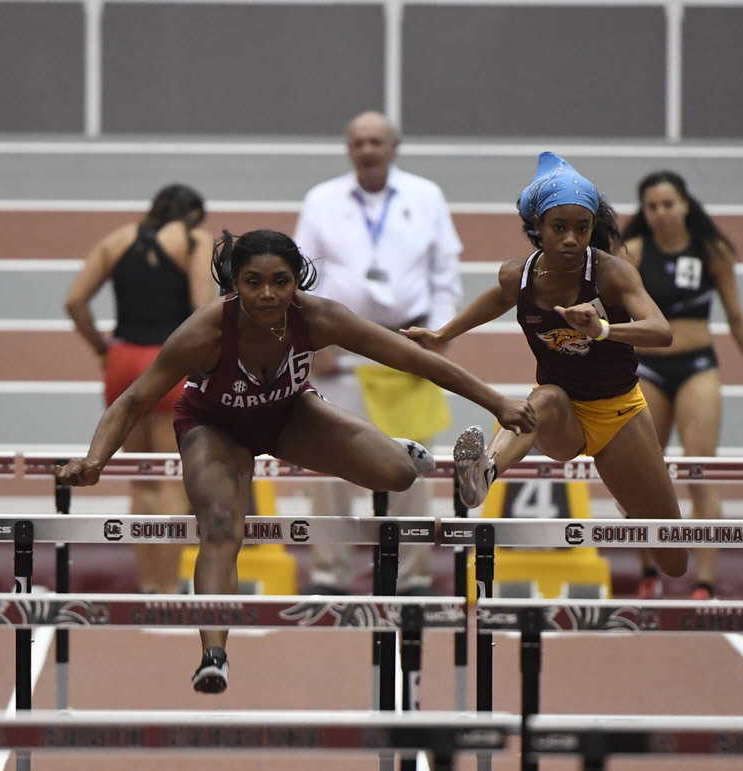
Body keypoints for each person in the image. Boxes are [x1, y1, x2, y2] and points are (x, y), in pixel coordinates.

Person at [56, 229, 533, 693]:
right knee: (221, 525)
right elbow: (133, 400)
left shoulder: (319, 317)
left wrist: (496, 403)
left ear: (298, 279)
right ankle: (214, 655)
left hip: (289, 414)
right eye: (253, 282)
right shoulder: (206, 329)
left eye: (280, 281)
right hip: (215, 427)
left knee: (399, 475)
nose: (267, 294)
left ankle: (397, 450)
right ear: (234, 283)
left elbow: (414, 360)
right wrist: (95, 459)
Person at [404, 152, 688, 584]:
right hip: (563, 416)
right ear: (536, 228)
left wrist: (603, 330)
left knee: (673, 560)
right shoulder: (517, 277)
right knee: (544, 398)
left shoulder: (612, 274)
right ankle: (485, 473)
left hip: (620, 414)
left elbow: (661, 331)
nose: (572, 239)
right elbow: (494, 300)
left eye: (583, 228)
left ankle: (631, 502)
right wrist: (444, 334)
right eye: (559, 228)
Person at [294, 111, 463, 597]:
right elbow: (302, 275)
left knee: (412, 465)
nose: (367, 150)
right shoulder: (321, 200)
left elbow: (444, 272)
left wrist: (441, 332)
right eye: (358, 142)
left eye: (376, 141)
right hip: (338, 349)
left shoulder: (426, 197)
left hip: (406, 348)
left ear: (394, 147)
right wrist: (312, 339)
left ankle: (411, 576)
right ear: (348, 149)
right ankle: (330, 573)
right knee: (328, 466)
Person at [622, 171, 743, 599]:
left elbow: (737, 317)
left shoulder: (712, 252)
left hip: (697, 366)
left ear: (685, 205)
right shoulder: (633, 253)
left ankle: (705, 580)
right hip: (648, 369)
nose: (660, 213)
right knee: (638, 471)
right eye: (651, 207)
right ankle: (648, 569)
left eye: (668, 204)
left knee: (700, 466)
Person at [65, 184, 215, 594]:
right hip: (169, 363)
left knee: (140, 479)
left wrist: (100, 347)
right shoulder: (195, 240)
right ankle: (168, 588)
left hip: (122, 362)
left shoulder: (117, 240)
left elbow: (75, 300)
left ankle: (148, 582)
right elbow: (204, 306)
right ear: (196, 214)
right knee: (171, 479)